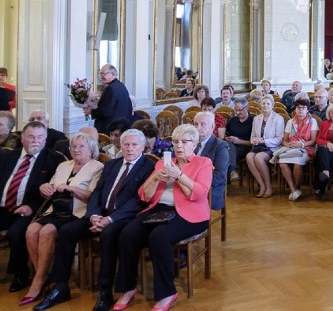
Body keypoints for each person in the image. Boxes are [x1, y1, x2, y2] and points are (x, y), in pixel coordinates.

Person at [34, 129, 155, 311]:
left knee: (108, 235)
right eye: (126, 144)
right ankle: (60, 287)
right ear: (120, 146)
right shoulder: (111, 165)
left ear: (142, 146)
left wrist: (110, 219)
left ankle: (105, 291)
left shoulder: (149, 167)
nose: (130, 149)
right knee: (67, 231)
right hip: (98, 214)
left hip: (124, 218)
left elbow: (138, 201)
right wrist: (93, 215)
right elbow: (97, 192)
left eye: (134, 145)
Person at [113, 124, 212, 311]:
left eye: (184, 141)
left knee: (158, 236)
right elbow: (144, 195)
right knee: (128, 233)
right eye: (175, 142)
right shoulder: (162, 162)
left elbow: (199, 194)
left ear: (195, 144)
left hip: (191, 214)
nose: (179, 146)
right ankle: (128, 288)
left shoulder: (203, 162)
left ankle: (167, 293)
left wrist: (179, 175)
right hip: (159, 209)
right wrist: (156, 177)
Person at [19, 132, 103, 305]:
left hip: (78, 212)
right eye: (73, 146)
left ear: (91, 149)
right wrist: (45, 188)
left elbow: (94, 196)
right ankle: (42, 275)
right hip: (56, 210)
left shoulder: (97, 167)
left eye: (81, 146)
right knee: (31, 230)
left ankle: (38, 281)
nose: (76, 150)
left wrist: (72, 189)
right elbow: (51, 186)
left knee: (47, 231)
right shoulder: (63, 165)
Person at [0, 121, 64, 293]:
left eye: (40, 137)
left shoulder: (54, 160)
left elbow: (52, 192)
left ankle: (20, 274)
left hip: (30, 209)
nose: (36, 141)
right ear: (22, 139)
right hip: (3, 206)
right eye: (31, 137)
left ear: (45, 140)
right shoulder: (8, 157)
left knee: (16, 234)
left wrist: (31, 206)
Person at [274, 97, 318, 200]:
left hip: (306, 148)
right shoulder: (291, 122)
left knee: (297, 162)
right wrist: (288, 144)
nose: (300, 110)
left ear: (307, 109)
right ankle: (294, 190)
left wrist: (301, 145)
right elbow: (284, 140)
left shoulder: (313, 121)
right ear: (295, 109)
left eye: (303, 108)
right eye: (298, 108)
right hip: (291, 148)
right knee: (282, 162)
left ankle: (297, 188)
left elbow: (313, 141)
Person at [245, 95, 286, 198]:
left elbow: (279, 139)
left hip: (272, 147)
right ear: (260, 105)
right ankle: (262, 186)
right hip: (258, 146)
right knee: (249, 157)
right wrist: (255, 140)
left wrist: (264, 141)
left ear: (272, 105)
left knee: (258, 157)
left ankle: (269, 186)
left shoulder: (278, 118)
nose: (265, 105)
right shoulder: (256, 118)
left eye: (268, 103)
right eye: (263, 103)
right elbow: (252, 136)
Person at [192, 111, 228, 211]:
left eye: (202, 124)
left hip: (211, 189)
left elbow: (220, 176)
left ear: (212, 126)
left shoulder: (220, 146)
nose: (198, 128)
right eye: (195, 124)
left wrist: (193, 180)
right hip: (189, 185)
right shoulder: (190, 143)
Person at [84, 64, 133, 135]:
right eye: (100, 74)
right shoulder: (121, 86)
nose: (101, 77)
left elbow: (104, 111)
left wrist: (90, 111)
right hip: (121, 127)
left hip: (109, 129)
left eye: (103, 74)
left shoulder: (110, 88)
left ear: (113, 74)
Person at [223, 97, 252, 183]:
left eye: (240, 110)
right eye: (236, 110)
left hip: (245, 147)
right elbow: (226, 134)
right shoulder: (232, 120)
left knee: (225, 152)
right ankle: (232, 172)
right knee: (225, 147)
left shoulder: (253, 121)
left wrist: (239, 141)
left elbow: (254, 142)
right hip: (231, 145)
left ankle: (228, 176)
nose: (237, 113)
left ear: (246, 108)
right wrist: (226, 137)